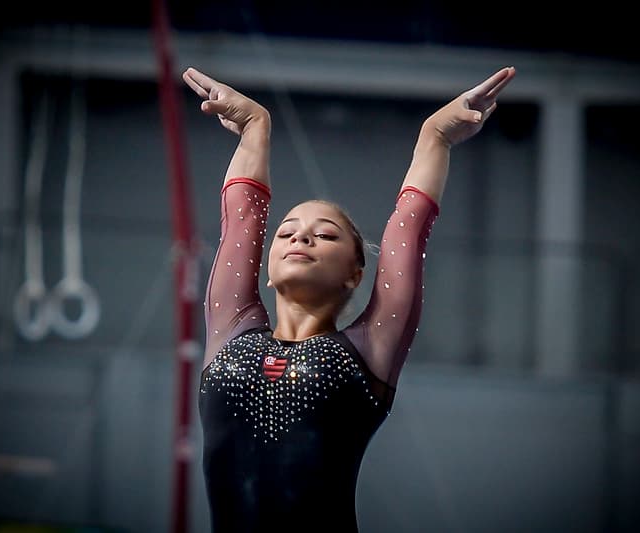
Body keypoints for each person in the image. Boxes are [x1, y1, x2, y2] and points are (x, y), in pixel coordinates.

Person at [183, 64, 515, 532]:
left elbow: (409, 227)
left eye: (325, 235)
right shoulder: (231, 326)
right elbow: (241, 220)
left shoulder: (368, 350)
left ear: (355, 274)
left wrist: (433, 137)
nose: (301, 239)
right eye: (287, 233)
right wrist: (255, 128)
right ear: (268, 268)